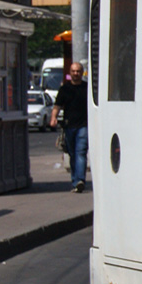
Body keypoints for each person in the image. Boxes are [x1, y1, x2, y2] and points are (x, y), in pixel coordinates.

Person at [50, 62, 89, 192]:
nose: (76, 74)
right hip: (69, 126)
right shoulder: (65, 89)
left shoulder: (87, 88)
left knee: (80, 153)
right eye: (73, 71)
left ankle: (80, 180)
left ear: (82, 73)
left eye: (78, 71)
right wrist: (53, 117)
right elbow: (57, 105)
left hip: (83, 126)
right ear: (70, 73)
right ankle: (75, 181)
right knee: (72, 154)